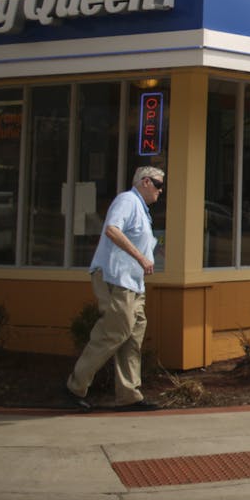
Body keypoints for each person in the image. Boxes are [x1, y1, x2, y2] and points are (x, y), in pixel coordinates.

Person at [65, 165, 164, 411]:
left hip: (133, 284)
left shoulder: (142, 210)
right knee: (113, 332)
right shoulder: (128, 200)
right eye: (159, 185)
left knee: (132, 337)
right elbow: (112, 229)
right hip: (115, 279)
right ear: (145, 182)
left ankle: (129, 395)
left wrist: (148, 255)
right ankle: (74, 387)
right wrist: (141, 258)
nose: (161, 191)